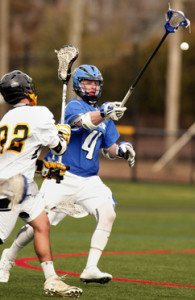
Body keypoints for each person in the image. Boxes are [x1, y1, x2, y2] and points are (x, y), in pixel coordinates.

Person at [0, 65, 135, 285]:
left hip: (90, 179)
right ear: (78, 85)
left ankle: (91, 267)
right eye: (88, 82)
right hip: (61, 175)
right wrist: (104, 112)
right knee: (42, 223)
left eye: (95, 83)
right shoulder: (74, 105)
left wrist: (122, 149)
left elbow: (108, 148)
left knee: (108, 213)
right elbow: (81, 122)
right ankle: (9, 256)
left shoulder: (105, 114)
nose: (92, 87)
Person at [0, 70, 82, 298]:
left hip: (21, 184)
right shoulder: (40, 113)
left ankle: (51, 279)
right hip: (10, 186)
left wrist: (42, 167)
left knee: (42, 225)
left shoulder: (7, 118)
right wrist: (63, 134)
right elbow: (59, 148)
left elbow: (19, 155)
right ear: (27, 90)